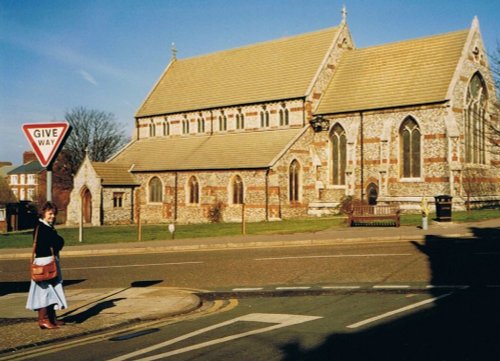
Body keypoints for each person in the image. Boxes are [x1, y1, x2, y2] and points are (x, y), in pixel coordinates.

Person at [26, 201, 68, 329]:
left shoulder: (46, 227)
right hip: (44, 263)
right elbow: (57, 242)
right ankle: (43, 320)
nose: (53, 217)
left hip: (49, 261)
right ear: (43, 213)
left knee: (52, 290)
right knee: (44, 292)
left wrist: (57, 240)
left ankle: (52, 318)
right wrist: (59, 240)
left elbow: (56, 242)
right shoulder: (42, 227)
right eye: (50, 214)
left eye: (54, 214)